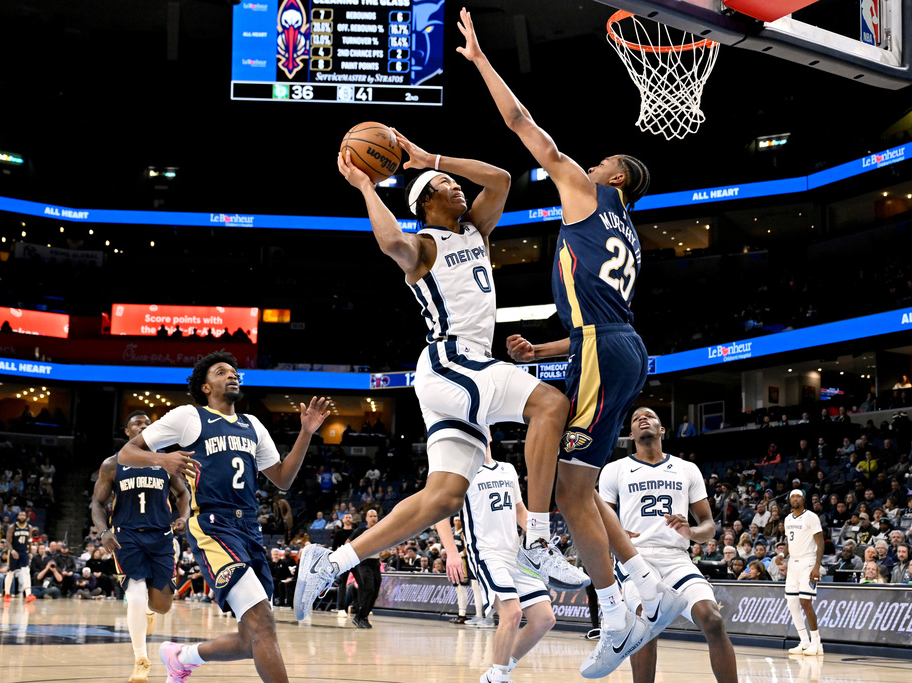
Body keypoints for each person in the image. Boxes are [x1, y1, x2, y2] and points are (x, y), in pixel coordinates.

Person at [455, 10, 674, 678]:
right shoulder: (628, 231)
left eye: (605, 159)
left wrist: (481, 62)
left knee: (540, 416)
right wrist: (541, 350)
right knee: (582, 488)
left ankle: (542, 539)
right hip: (613, 347)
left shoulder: (585, 188)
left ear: (614, 178)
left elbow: (525, 126)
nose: (593, 158)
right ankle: (629, 599)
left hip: (606, 349)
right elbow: (595, 320)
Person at [298, 130, 590, 620]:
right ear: (426, 199)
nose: (459, 187)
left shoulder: (475, 229)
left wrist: (429, 157)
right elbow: (390, 240)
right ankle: (538, 537)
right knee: (551, 404)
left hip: (459, 373)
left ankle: (330, 563)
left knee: (444, 496)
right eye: (447, 183)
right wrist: (366, 186)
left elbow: (498, 178)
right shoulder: (423, 246)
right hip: (450, 362)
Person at [117, 351, 329, 683]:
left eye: (234, 372)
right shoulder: (188, 416)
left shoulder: (252, 425)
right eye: (221, 372)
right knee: (264, 626)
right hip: (213, 527)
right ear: (205, 386)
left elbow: (283, 478)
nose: (232, 375)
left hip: (249, 529)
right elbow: (126, 452)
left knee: (251, 639)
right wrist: (163, 460)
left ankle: (182, 657)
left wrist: (307, 432)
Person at [599, 407, 738, 683]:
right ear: (631, 435)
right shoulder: (615, 469)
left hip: (677, 558)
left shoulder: (687, 469)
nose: (642, 419)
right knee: (644, 625)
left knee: (712, 619)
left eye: (649, 416)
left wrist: (692, 531)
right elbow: (598, 522)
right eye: (636, 418)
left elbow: (709, 526)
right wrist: (614, 533)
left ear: (661, 430)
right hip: (635, 558)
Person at [436, 443, 557, 683]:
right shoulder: (462, 473)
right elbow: (441, 514)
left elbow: (520, 511)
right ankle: (500, 677)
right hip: (486, 553)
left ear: (489, 434)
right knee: (512, 613)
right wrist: (451, 552)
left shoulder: (508, 469)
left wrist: (541, 540)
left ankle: (497, 672)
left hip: (515, 553)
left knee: (545, 619)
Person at [91, 410, 192, 683]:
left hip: (161, 536)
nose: (144, 426)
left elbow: (183, 493)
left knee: (162, 606)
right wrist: (103, 532)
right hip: (127, 536)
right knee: (135, 595)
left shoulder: (164, 461)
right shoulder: (113, 464)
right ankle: (141, 659)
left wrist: (183, 517)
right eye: (138, 423)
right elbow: (97, 504)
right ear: (127, 432)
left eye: (148, 424)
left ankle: (149, 610)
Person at [783, 489, 825, 656]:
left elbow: (820, 542)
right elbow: (789, 542)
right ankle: (804, 641)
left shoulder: (811, 517)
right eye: (792, 496)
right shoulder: (787, 519)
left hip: (808, 561)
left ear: (803, 499)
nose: (795, 499)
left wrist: (816, 566)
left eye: (798, 496)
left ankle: (817, 643)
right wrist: (781, 555)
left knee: (805, 602)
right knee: (792, 604)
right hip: (792, 563)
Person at [441, 515, 488, 627]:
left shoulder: (464, 532)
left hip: (465, 563)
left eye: (458, 520)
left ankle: (474, 614)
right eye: (455, 521)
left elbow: (467, 549)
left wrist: (457, 555)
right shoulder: (453, 533)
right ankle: (461, 613)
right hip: (455, 562)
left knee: (468, 588)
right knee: (458, 588)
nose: (457, 522)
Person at [348, 509, 383, 629]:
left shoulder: (380, 531)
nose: (373, 518)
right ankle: (359, 616)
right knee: (369, 587)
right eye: (371, 516)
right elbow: (348, 542)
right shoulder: (360, 531)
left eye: (375, 516)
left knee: (376, 590)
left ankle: (363, 616)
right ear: (366, 518)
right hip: (364, 562)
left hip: (376, 562)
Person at [4, 510, 33, 603]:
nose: (22, 516)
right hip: (14, 552)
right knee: (11, 572)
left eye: (24, 515)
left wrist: (30, 553)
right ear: (17, 517)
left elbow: (30, 541)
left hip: (24, 552)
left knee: (26, 571)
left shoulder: (29, 527)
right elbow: (7, 541)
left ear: (26, 517)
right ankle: (7, 593)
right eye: (20, 515)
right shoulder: (12, 527)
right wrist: (12, 551)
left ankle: (28, 594)